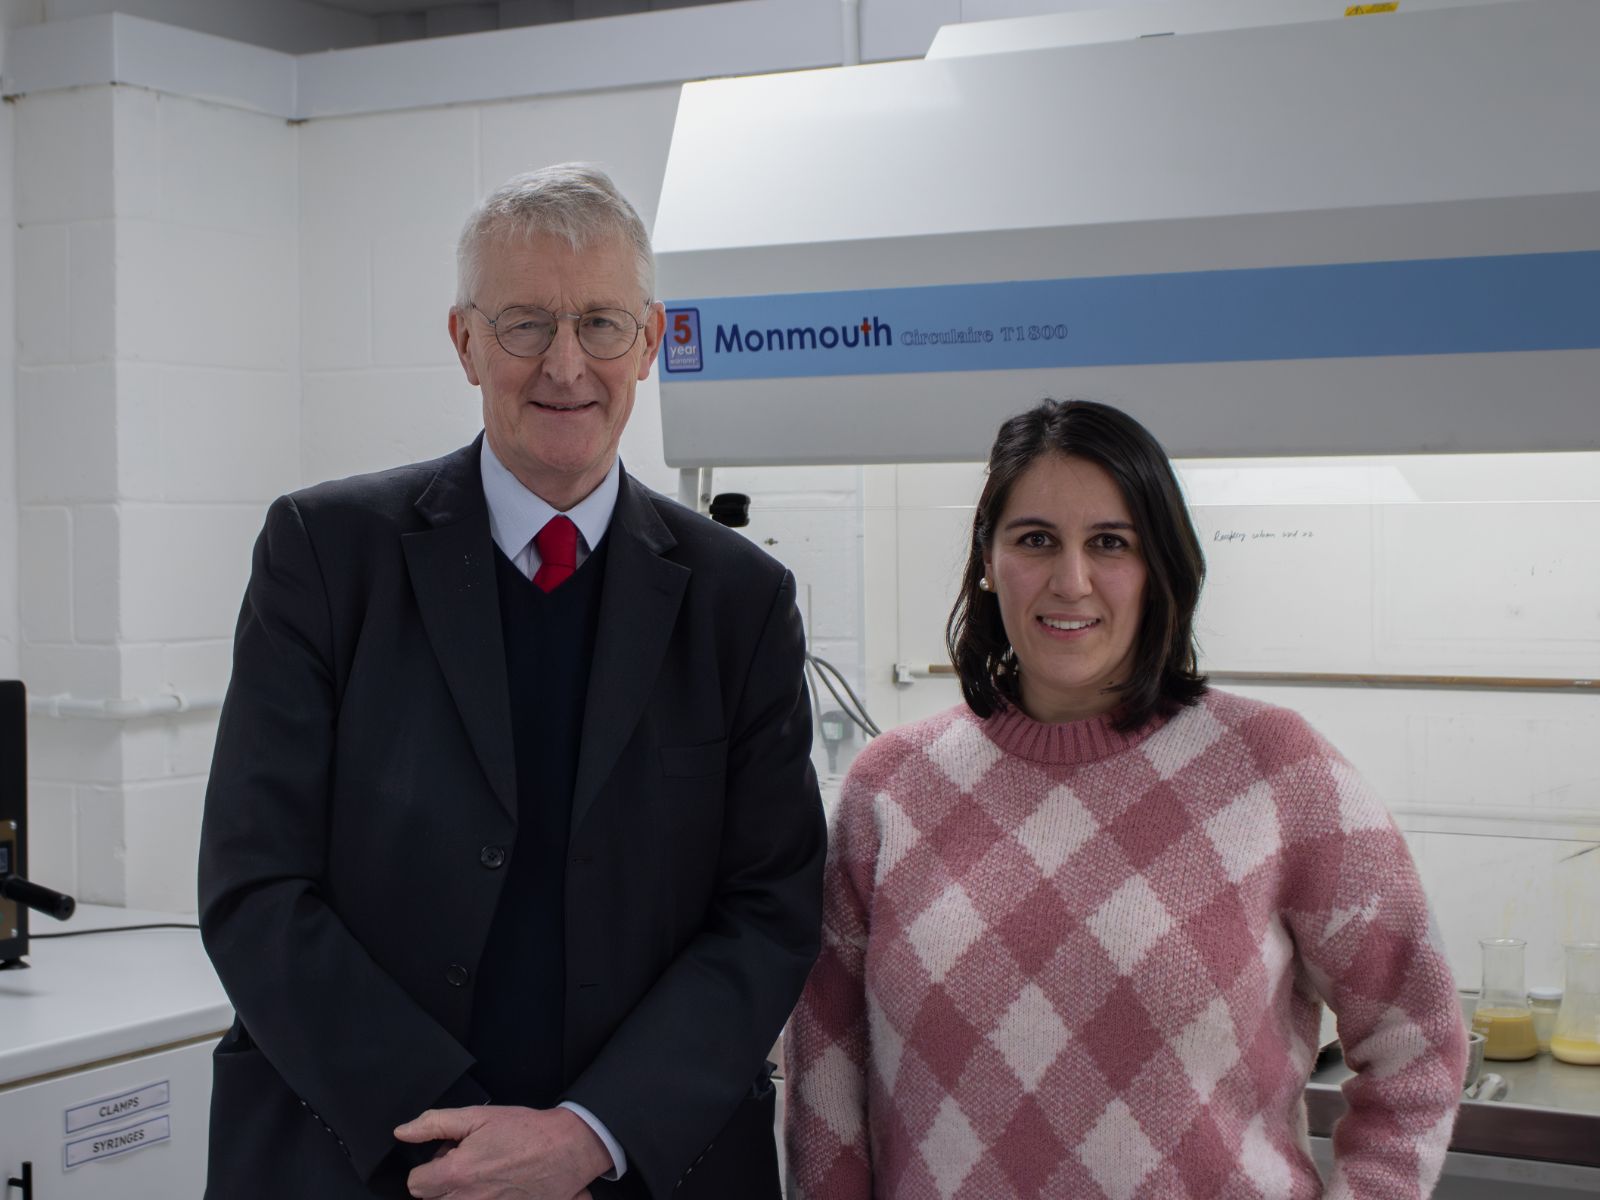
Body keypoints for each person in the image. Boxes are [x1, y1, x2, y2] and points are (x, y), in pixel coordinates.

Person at [198, 164, 825, 1200]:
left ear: (652, 341)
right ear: (465, 342)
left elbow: (768, 908)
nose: (566, 365)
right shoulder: (325, 555)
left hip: (637, 1166)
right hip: (359, 1156)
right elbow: (254, 889)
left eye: (602, 325)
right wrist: (452, 1143)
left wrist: (589, 1135)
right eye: (526, 323)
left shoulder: (737, 601)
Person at [785, 399, 1466, 1199]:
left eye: (1110, 543)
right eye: (1035, 539)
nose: (1070, 581)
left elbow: (1417, 1041)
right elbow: (826, 1078)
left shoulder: (1280, 770)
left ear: (1161, 567)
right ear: (986, 560)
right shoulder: (889, 786)